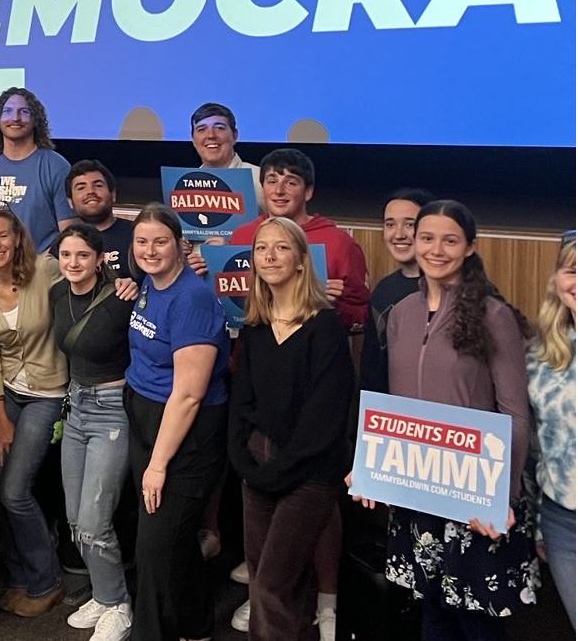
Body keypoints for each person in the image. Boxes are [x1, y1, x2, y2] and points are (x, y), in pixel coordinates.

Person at [358, 200, 538, 639]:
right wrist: (370, 465)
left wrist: (500, 500)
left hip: (477, 493)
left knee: (474, 620)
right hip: (418, 489)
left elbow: (515, 413)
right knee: (431, 611)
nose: (436, 249)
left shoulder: (493, 316)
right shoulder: (400, 314)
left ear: (470, 247)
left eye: (450, 240)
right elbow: (394, 405)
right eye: (427, 238)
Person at [229, 149, 362, 638]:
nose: (269, 257)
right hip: (257, 469)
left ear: (302, 259)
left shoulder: (325, 327)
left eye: (281, 249)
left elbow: (325, 419)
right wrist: (245, 466)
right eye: (262, 250)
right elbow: (242, 405)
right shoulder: (256, 325)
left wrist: (276, 473)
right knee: (271, 583)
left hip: (306, 474)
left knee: (269, 587)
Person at [124, 203, 230, 641]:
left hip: (186, 432)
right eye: (142, 241)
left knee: (154, 550)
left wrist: (158, 463)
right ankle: (195, 626)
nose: (150, 250)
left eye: (161, 242)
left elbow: (188, 394)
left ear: (181, 246)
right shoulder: (148, 284)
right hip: (146, 417)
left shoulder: (194, 297)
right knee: (175, 540)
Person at [0, 204, 67, 616]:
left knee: (15, 491)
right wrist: (0, 418)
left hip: (50, 391)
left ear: (17, 237)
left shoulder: (47, 270)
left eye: (3, 235)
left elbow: (86, 296)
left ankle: (47, 581)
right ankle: (20, 576)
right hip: (5, 394)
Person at [49, 223, 136, 641]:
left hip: (112, 411)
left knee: (95, 520)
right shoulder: (55, 294)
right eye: (67, 255)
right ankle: (102, 595)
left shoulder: (122, 297)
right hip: (75, 407)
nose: (74, 263)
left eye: (83, 255)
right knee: (73, 519)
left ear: (100, 258)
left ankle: (119, 603)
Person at [230, 149, 369, 330]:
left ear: (308, 192)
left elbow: (362, 316)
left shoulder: (340, 243)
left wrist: (332, 306)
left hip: (315, 350)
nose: (279, 191)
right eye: (272, 182)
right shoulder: (242, 236)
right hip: (251, 349)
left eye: (290, 183)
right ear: (263, 188)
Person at [0, 88, 76, 253]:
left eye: (24, 112)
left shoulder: (56, 166)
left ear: (35, 120)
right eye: (8, 111)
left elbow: (69, 234)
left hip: (40, 268)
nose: (15, 118)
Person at [526, 239, 574, 627]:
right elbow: (538, 446)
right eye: (572, 270)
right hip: (563, 522)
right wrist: (541, 522)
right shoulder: (541, 353)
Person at [360, 189, 436, 394]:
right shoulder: (383, 291)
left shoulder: (460, 291)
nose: (398, 234)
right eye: (390, 224)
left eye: (409, 224)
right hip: (394, 418)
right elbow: (372, 370)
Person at [59, 160, 136, 279]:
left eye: (98, 185)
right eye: (81, 188)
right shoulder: (63, 243)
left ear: (113, 194)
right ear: (70, 202)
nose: (90, 191)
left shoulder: (137, 234)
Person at [189, 101, 265, 208]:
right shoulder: (186, 185)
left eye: (219, 128)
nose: (211, 135)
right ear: (193, 139)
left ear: (234, 136)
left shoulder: (260, 179)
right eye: (201, 129)